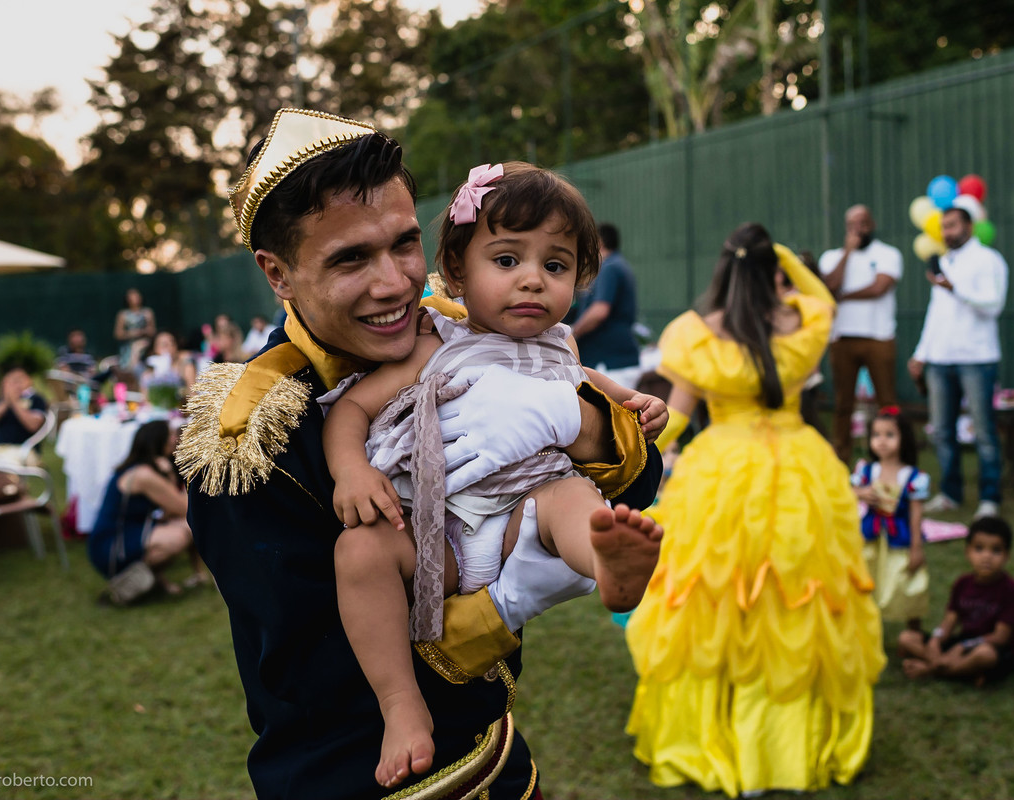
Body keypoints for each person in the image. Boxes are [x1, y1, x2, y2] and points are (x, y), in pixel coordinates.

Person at [175, 108, 663, 800]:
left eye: (404, 244)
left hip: (496, 758)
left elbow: (641, 485)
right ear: (276, 272)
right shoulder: (245, 440)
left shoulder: (468, 326)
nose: (396, 283)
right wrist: (509, 599)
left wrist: (580, 424)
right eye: (350, 258)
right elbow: (321, 677)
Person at [322, 162, 666, 788]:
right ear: (456, 270)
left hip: (523, 523)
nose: (533, 280)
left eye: (555, 266)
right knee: (360, 550)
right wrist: (349, 471)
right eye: (507, 260)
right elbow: (351, 406)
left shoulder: (563, 348)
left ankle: (606, 563)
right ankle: (401, 704)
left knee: (571, 495)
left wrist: (637, 406)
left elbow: (597, 395)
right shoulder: (434, 344)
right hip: (440, 539)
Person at [625, 223, 884, 795]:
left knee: (718, 600)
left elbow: (678, 415)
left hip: (723, 474)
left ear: (723, 269)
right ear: (772, 270)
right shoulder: (804, 322)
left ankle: (717, 736)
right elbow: (817, 293)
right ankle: (784, 746)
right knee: (795, 598)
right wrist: (787, 259)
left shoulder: (698, 334)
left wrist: (630, 465)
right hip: (802, 471)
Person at [908, 206, 1009, 519]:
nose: (947, 232)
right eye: (944, 227)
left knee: (982, 432)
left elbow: (993, 305)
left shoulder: (988, 260)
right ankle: (951, 493)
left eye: (952, 226)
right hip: (940, 360)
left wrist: (957, 290)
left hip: (976, 359)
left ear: (968, 226)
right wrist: (921, 353)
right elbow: (936, 314)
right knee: (942, 431)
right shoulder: (945, 262)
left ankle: (990, 498)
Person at [819, 204, 903, 464]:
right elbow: (829, 285)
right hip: (842, 338)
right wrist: (848, 252)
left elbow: (880, 287)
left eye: (863, 223)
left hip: (878, 337)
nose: (859, 229)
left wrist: (844, 297)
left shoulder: (888, 254)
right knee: (843, 404)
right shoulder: (832, 257)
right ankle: (840, 461)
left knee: (886, 402)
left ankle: (891, 458)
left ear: (872, 224)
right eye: (853, 224)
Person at [87, 420, 207, 602]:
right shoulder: (144, 475)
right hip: (112, 544)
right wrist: (170, 475)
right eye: (170, 435)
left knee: (186, 525)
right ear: (157, 440)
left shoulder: (142, 468)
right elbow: (185, 507)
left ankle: (178, 577)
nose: (175, 439)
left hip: (129, 531)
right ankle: (136, 581)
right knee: (182, 533)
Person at [898, 515, 1014, 684]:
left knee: (984, 655)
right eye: (979, 548)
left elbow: (1000, 637)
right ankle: (962, 670)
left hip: (991, 648)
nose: (986, 557)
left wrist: (963, 647)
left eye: (996, 550)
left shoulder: (1012, 591)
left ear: (1007, 556)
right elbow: (949, 622)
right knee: (907, 638)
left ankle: (931, 669)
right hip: (962, 642)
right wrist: (936, 639)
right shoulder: (963, 584)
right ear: (968, 552)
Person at [852, 407, 930, 629]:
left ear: (903, 438)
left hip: (900, 541)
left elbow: (916, 514)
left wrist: (917, 547)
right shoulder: (866, 471)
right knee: (867, 582)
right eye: (876, 435)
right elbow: (845, 491)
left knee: (906, 582)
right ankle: (865, 629)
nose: (882, 441)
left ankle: (913, 630)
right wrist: (861, 493)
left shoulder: (914, 476)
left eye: (890, 435)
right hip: (870, 540)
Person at [571, 222, 641, 387]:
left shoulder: (609, 268)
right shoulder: (620, 265)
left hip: (610, 363)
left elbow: (599, 311)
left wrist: (573, 332)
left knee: (610, 412)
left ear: (599, 242)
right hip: (617, 360)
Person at [0, 365, 49, 458]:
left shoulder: (36, 400)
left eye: (19, 380)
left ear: (29, 381)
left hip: (24, 450)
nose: (15, 385)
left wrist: (15, 402)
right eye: (11, 381)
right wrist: (6, 402)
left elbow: (33, 425)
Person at [114, 288, 157, 370]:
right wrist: (133, 333)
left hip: (145, 345)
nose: (135, 298)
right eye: (132, 296)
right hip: (128, 348)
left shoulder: (147, 312)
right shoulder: (123, 314)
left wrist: (144, 332)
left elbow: (153, 331)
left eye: (137, 296)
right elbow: (118, 334)